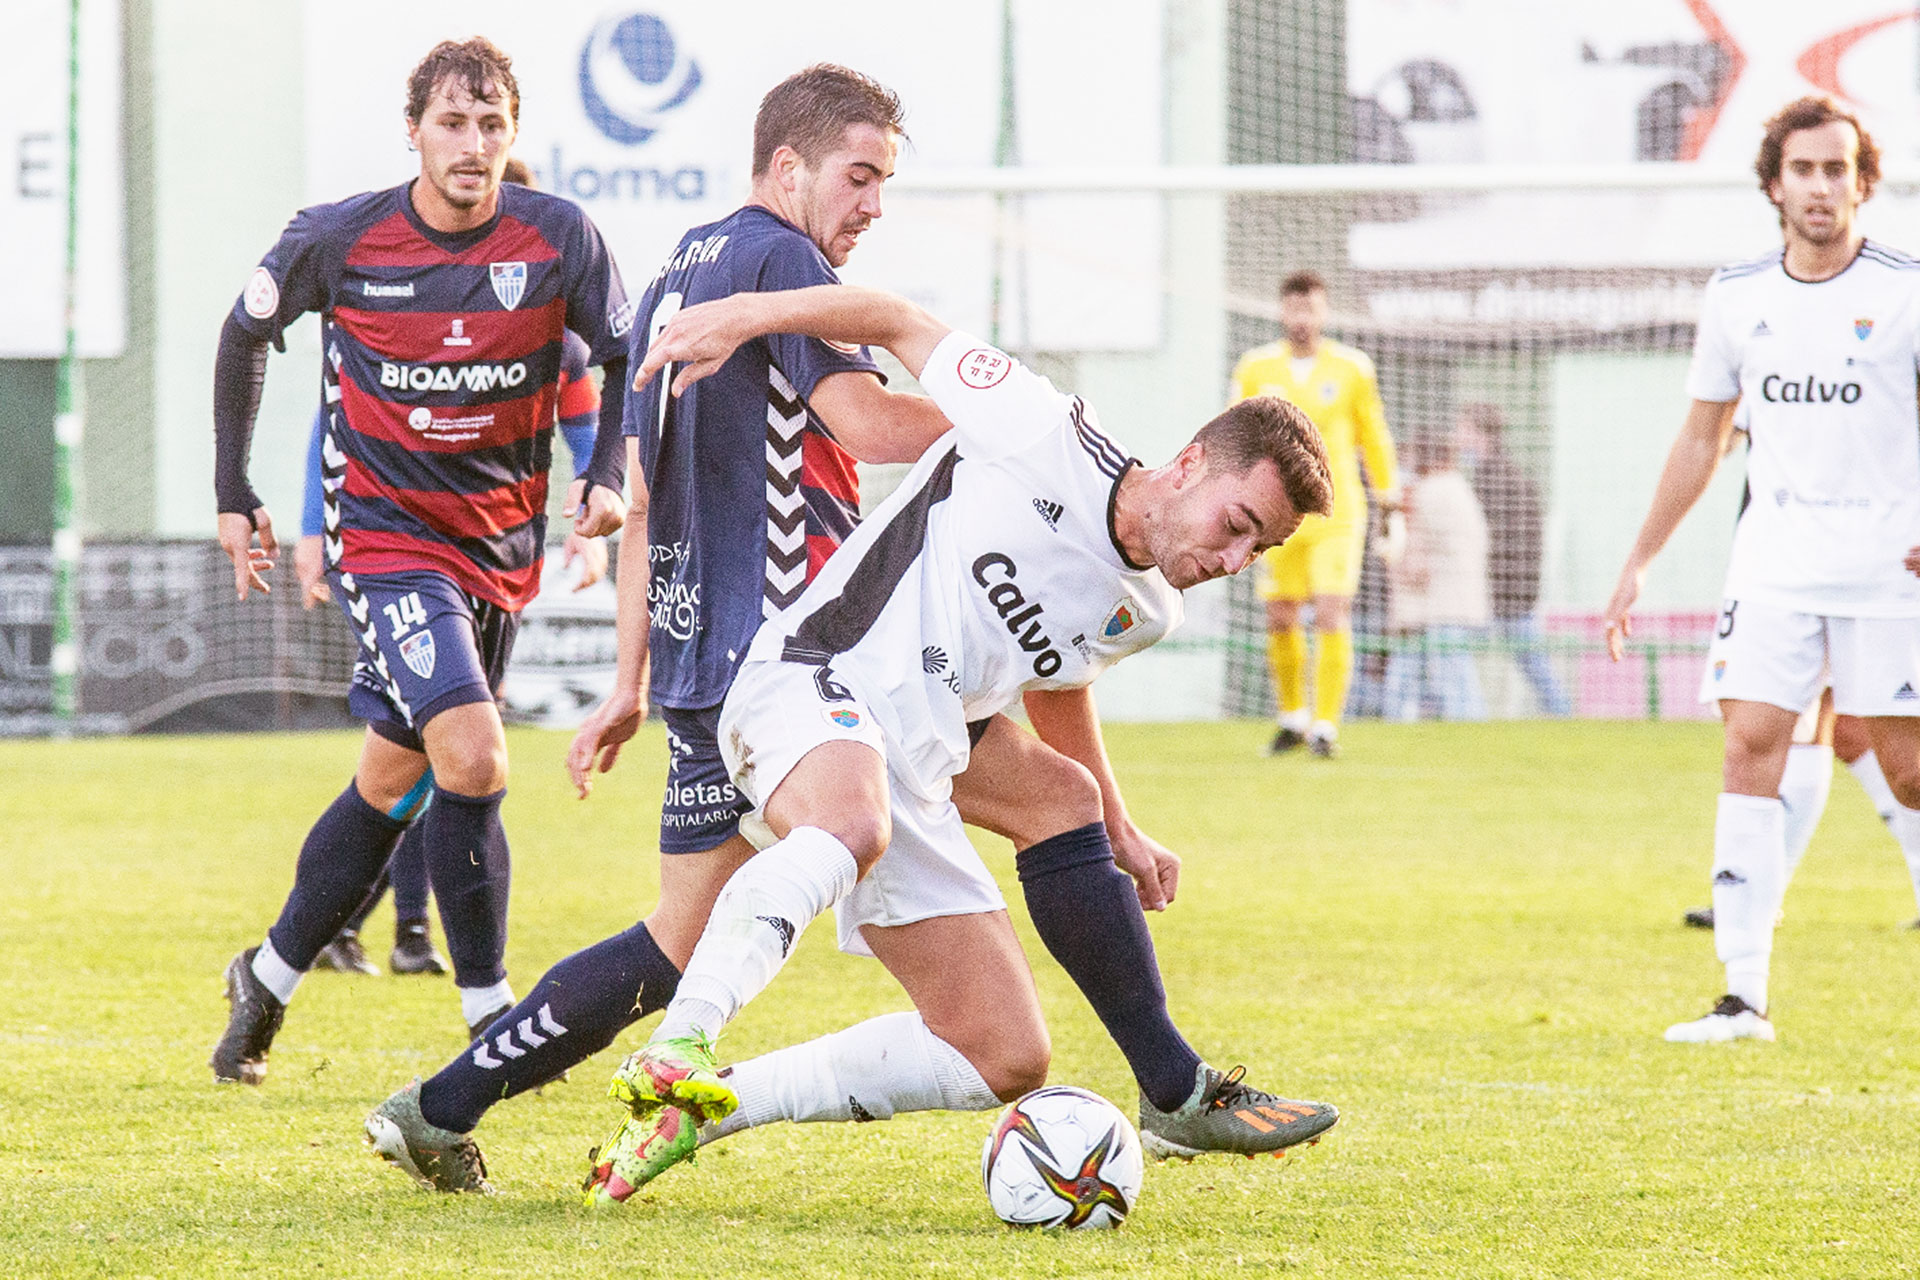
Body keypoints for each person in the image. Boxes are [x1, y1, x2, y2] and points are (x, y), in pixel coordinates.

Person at [366, 65, 1333, 1197]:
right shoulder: (782, 264)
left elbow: (652, 498)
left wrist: (632, 673)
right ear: (789, 168)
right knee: (814, 847)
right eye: (859, 176)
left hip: (721, 651)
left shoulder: (679, 270)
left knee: (990, 914)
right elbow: (872, 420)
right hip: (790, 649)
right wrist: (1016, 438)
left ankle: (454, 1105)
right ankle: (678, 1055)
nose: (873, 205)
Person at [576, 282, 1339, 1204]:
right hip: (812, 677)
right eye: (1237, 526)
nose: (1233, 562)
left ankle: (704, 1112)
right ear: (1188, 465)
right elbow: (897, 321)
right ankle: (680, 1043)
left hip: (918, 756)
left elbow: (1059, 682)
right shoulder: (1043, 429)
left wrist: (1121, 829)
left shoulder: (1147, 610)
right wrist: (747, 317)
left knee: (1005, 1050)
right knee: (853, 824)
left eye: (1258, 552)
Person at [209, 37, 633, 1083]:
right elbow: (242, 335)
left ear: (512, 134)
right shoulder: (341, 237)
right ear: (414, 132)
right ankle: (493, 1017)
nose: (473, 144)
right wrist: (235, 492)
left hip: (498, 549)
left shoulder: (560, 238)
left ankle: (266, 977)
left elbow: (626, 356)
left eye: (492, 125)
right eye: (453, 123)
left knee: (390, 781)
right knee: (476, 757)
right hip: (387, 539)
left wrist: (607, 475)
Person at [1603, 95, 1920, 1043]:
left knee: (1907, 772)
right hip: (1774, 562)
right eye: (1803, 170)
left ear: (1863, 183)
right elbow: (1701, 437)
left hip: (1891, 566)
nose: (1820, 187)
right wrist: (1640, 560)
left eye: (1837, 170)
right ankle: (1743, 997)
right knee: (1751, 744)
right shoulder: (1737, 294)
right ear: (1775, 186)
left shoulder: (1905, 288)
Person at [296, 156, 608, 979]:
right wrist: (313, 531)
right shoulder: (398, 289)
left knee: (419, 763)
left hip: (491, 559)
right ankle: (413, 944)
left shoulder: (555, 318)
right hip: (396, 550)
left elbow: (586, 421)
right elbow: (333, 422)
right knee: (451, 749)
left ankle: (314, 944)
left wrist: (595, 509)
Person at [1230, 271, 1398, 758]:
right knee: (1280, 615)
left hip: (1337, 514)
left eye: (1311, 309)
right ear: (1282, 312)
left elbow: (1373, 434)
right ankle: (1292, 718)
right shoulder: (1256, 368)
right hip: (1277, 513)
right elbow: (1235, 432)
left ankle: (1325, 725)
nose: (1302, 318)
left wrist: (1388, 495)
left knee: (1330, 611)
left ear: (1324, 312)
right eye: (1294, 308)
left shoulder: (1352, 368)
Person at [1456, 403, 1570, 716]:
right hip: (1514, 593)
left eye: (1463, 429)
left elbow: (1498, 541)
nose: (1457, 437)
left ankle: (1471, 715)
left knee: (1452, 649)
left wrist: (1494, 585)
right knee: (1532, 665)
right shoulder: (1504, 475)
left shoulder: (1495, 481)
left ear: (1480, 434)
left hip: (1504, 595)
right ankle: (1562, 714)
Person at [1382, 431, 1489, 721]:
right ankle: (1471, 723)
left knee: (1444, 677)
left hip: (1432, 602)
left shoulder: (1422, 492)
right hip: (1459, 599)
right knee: (1450, 673)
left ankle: (1462, 724)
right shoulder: (1459, 488)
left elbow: (1404, 552)